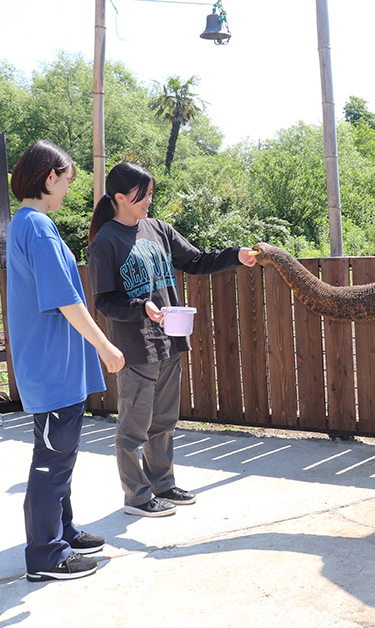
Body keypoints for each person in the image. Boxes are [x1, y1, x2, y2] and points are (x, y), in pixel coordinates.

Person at [86, 162, 258, 518]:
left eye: (150, 193)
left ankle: (162, 485)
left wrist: (236, 257)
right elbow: (104, 301)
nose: (149, 200)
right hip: (136, 349)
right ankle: (136, 497)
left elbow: (195, 261)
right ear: (119, 197)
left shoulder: (158, 230)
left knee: (163, 422)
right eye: (142, 195)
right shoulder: (105, 242)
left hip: (169, 342)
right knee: (133, 428)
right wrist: (140, 307)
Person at [6, 140, 125, 582]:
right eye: (66, 181)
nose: (68, 191)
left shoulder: (28, 223)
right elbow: (66, 301)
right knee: (51, 461)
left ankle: (63, 531)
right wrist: (104, 345)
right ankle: (46, 555)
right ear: (48, 176)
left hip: (50, 365)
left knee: (60, 456)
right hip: (52, 368)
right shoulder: (36, 226)